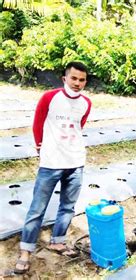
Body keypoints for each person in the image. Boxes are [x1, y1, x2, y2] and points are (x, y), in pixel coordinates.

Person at [14, 62, 92, 274]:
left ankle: (58, 241)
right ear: (64, 78)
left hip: (76, 162)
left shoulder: (86, 103)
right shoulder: (50, 97)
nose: (77, 83)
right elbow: (38, 124)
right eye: (74, 78)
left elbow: (79, 126)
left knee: (68, 206)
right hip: (51, 163)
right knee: (37, 209)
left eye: (82, 80)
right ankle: (25, 251)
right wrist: (41, 147)